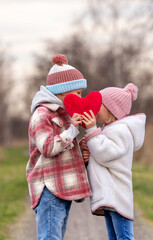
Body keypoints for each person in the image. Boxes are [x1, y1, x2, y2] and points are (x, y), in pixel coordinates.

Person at [26, 54, 91, 240]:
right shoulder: (42, 114)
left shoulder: (65, 114)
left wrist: (82, 147)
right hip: (50, 189)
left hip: (63, 188)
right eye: (77, 93)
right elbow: (47, 148)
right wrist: (72, 130)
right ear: (63, 91)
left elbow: (65, 148)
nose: (81, 97)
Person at [80, 83, 146, 240]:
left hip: (118, 195)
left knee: (124, 236)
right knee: (113, 236)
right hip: (110, 194)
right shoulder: (107, 130)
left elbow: (104, 153)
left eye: (99, 105)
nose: (94, 107)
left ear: (112, 109)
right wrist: (89, 155)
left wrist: (91, 131)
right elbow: (102, 155)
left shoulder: (121, 130)